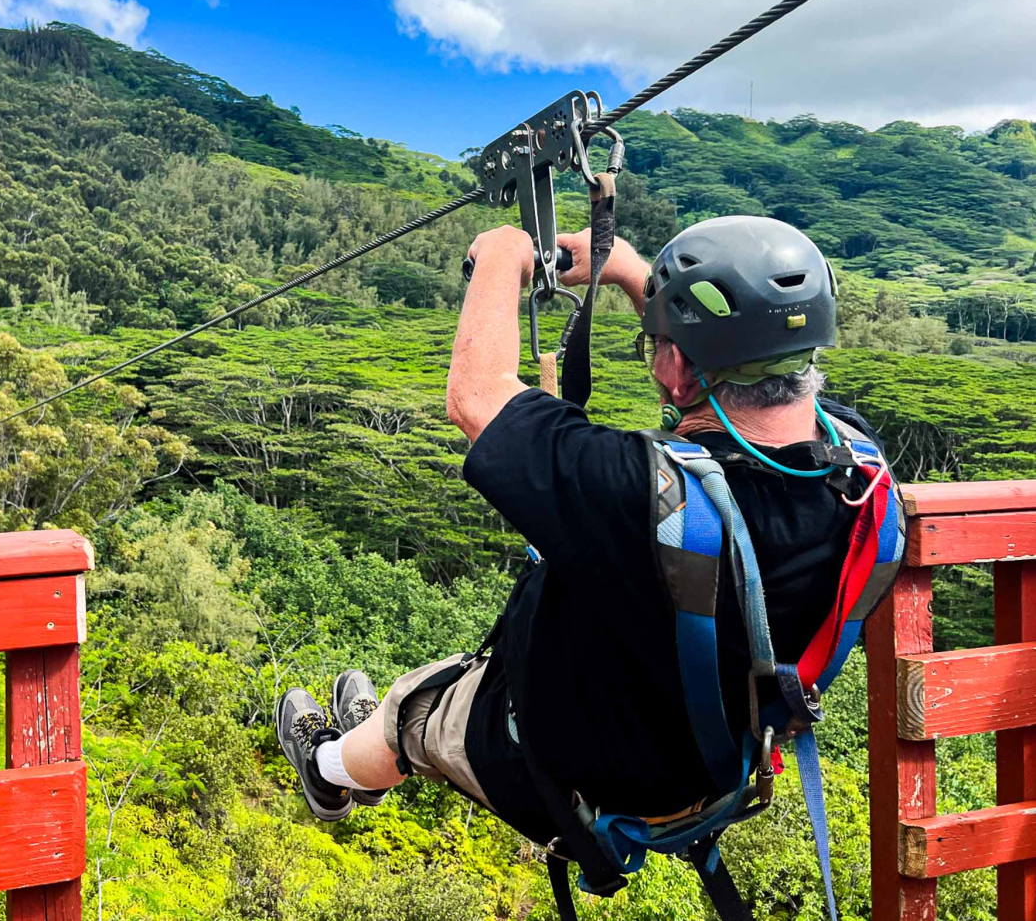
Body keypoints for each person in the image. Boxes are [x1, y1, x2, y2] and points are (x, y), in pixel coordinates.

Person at [274, 215, 894, 887]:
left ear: (677, 367)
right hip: (708, 764)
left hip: (573, 774)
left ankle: (330, 770)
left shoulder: (630, 495)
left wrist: (505, 253)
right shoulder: (856, 473)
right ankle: (360, 750)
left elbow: (476, 397)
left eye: (655, 345)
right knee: (444, 687)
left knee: (413, 710)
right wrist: (632, 274)